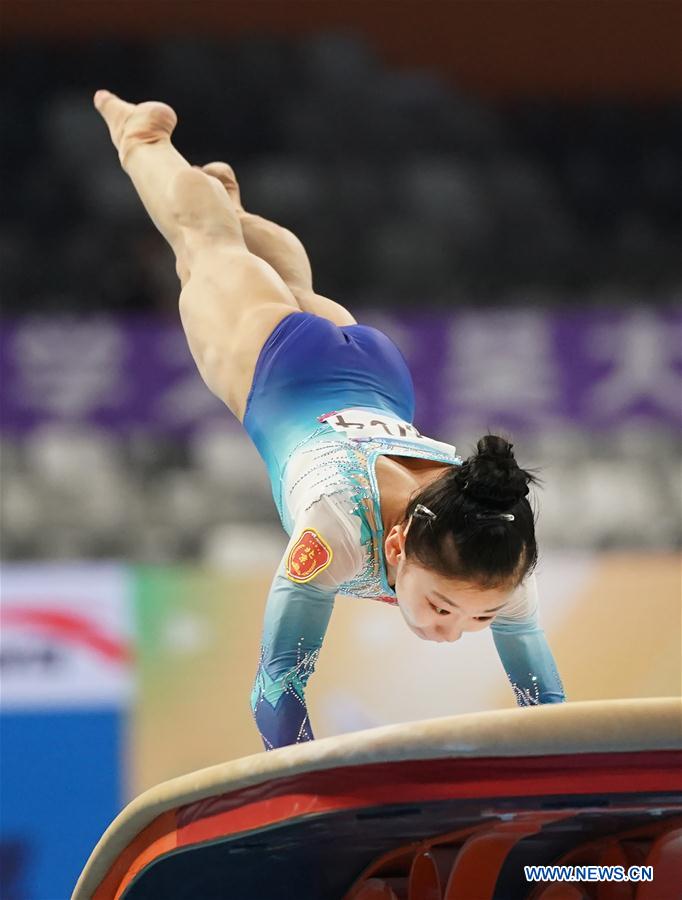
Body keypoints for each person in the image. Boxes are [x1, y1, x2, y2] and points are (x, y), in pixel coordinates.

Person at [94, 90, 565, 751]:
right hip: (278, 370)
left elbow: (548, 707)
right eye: (440, 606)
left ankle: (234, 210)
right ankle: (141, 139)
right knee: (200, 247)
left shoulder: (499, 554)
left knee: (289, 284)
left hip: (375, 373)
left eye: (481, 616)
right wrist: (307, 789)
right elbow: (276, 685)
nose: (453, 630)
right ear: (394, 548)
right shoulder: (338, 529)